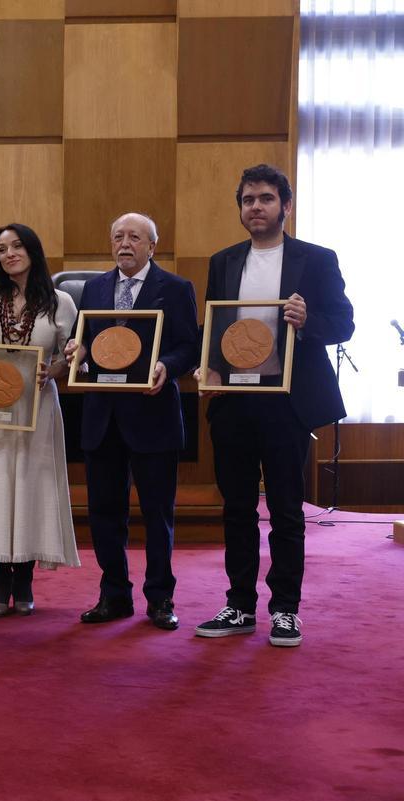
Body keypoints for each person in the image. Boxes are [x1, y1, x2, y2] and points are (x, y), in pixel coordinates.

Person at [194, 164, 353, 648]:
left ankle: (285, 609)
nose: (256, 207)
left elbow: (343, 323)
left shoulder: (316, 259)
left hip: (287, 402)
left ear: (285, 205)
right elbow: (214, 329)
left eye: (265, 198)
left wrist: (308, 321)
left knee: (286, 508)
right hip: (235, 401)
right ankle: (239, 604)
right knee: (237, 507)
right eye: (247, 200)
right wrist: (208, 366)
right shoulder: (223, 261)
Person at [64, 212, 198, 631]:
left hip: (153, 414)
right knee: (105, 511)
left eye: (135, 237)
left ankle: (160, 598)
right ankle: (114, 594)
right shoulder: (94, 288)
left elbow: (189, 346)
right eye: (118, 236)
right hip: (102, 417)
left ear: (152, 246)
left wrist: (166, 365)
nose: (125, 243)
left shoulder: (175, 289)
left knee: (157, 514)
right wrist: (77, 351)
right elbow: (84, 340)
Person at [0, 224, 80, 616]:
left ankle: (22, 576)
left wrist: (54, 371)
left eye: (17, 246)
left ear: (33, 250)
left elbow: (70, 359)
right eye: (2, 249)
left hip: (36, 411)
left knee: (29, 486)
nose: (9, 254)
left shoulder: (61, 302)